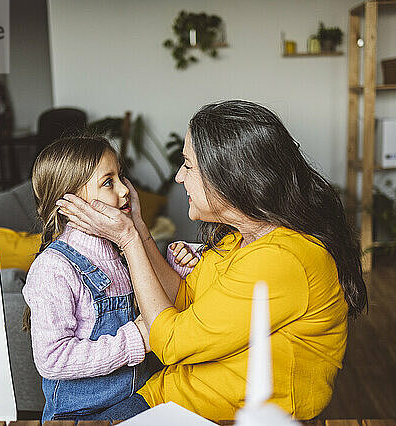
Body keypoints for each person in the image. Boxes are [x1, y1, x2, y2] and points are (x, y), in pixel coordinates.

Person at [57, 100, 368, 422]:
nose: (179, 177)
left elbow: (172, 341)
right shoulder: (238, 238)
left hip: (211, 416)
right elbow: (182, 300)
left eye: (188, 166)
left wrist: (128, 241)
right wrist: (138, 228)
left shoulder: (282, 258)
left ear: (229, 175)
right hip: (168, 396)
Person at [21, 136, 198, 421]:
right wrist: (136, 339)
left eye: (121, 177)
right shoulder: (54, 268)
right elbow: (52, 359)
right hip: (82, 415)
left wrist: (177, 269)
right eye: (108, 182)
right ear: (71, 203)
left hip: (140, 397)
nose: (125, 191)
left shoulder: (123, 250)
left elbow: (161, 309)